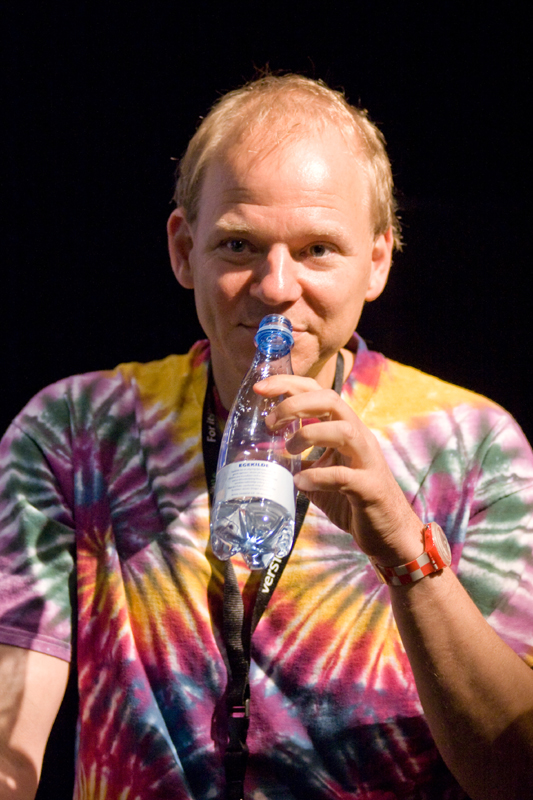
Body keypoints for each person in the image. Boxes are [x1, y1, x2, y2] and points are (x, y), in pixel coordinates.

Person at [1, 73, 532, 800]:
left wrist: (406, 554)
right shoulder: (77, 432)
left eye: (317, 249)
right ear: (183, 249)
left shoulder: (471, 447)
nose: (277, 285)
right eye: (238, 244)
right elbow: (10, 736)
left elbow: (516, 775)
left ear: (377, 261)